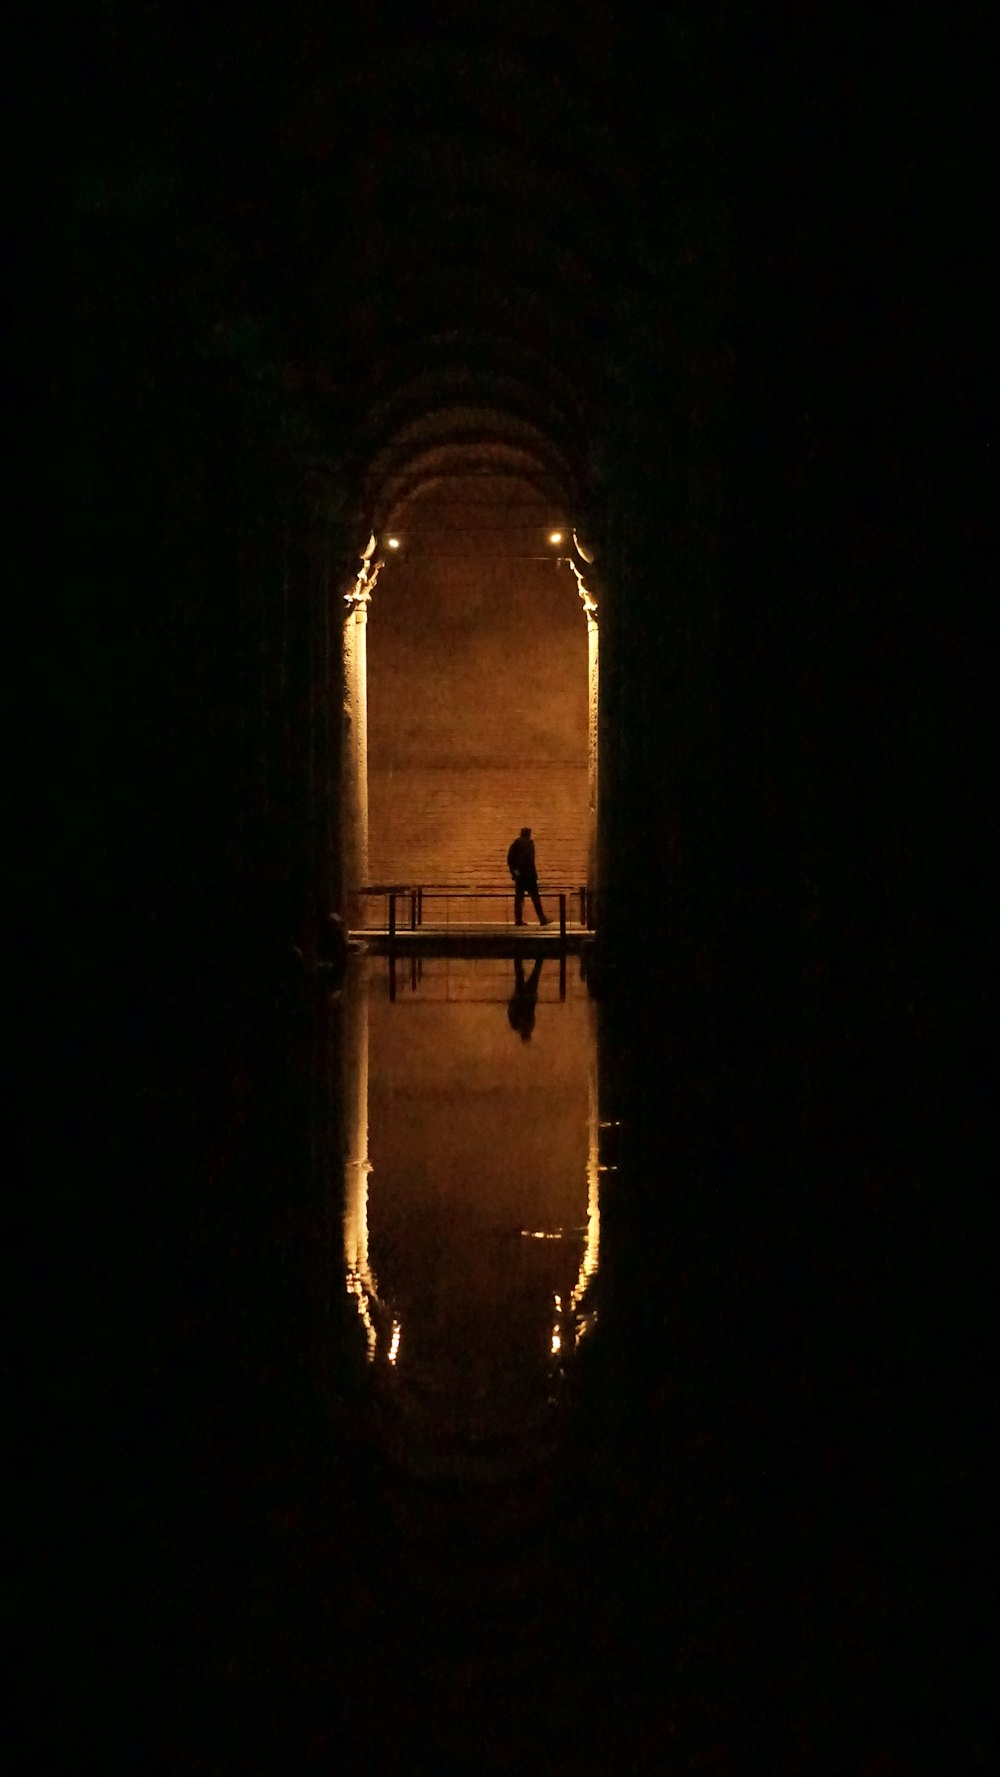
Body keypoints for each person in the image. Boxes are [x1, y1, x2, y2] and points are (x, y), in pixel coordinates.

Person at [506, 826, 551, 926]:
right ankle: (541, 918)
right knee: (535, 898)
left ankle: (519, 920)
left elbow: (510, 860)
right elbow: (529, 862)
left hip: (522, 876)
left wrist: (515, 872)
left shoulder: (517, 844)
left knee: (520, 898)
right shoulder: (528, 844)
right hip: (529, 876)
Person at [507, 955, 544, 1041]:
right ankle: (519, 956)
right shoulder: (524, 1025)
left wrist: (514, 1000)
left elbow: (511, 1010)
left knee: (527, 974)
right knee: (526, 974)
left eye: (526, 1033)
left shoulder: (518, 1025)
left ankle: (540, 956)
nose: (527, 1031)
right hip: (525, 996)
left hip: (524, 996)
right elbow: (511, 1010)